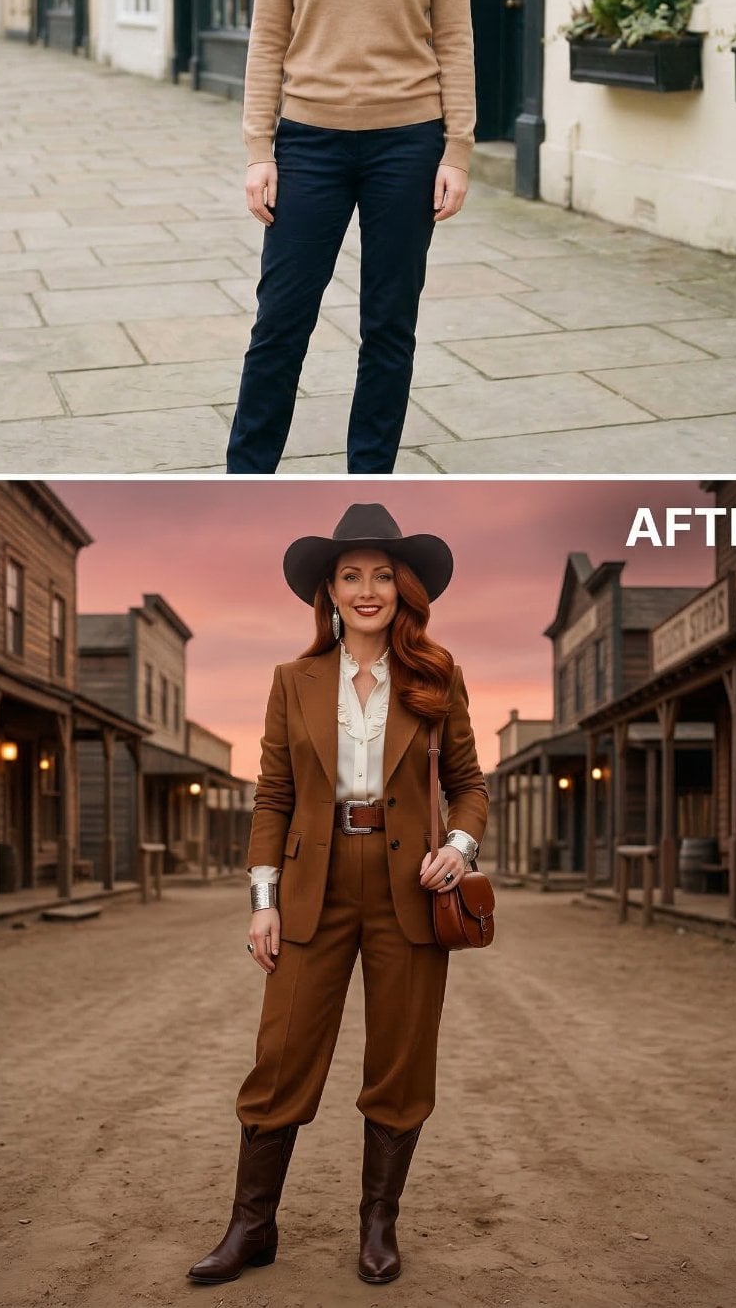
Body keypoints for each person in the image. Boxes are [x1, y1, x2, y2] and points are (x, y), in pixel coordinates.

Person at [187, 502, 489, 1288]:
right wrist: (263, 899)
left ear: (403, 589)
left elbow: (469, 786)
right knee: (280, 1058)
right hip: (311, 886)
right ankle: (251, 1227)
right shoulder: (294, 680)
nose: (367, 590)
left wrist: (458, 849)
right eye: (351, 575)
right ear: (327, 590)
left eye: (382, 576)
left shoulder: (438, 673)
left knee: (399, 1063)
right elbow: (272, 796)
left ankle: (378, 1227)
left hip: (409, 894)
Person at [226, 0, 476, 474]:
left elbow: (455, 38)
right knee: (280, 323)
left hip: (408, 144)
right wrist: (257, 151)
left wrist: (456, 150)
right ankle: (249, 474)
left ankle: (371, 472)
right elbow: (268, 39)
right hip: (309, 145)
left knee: (389, 326)